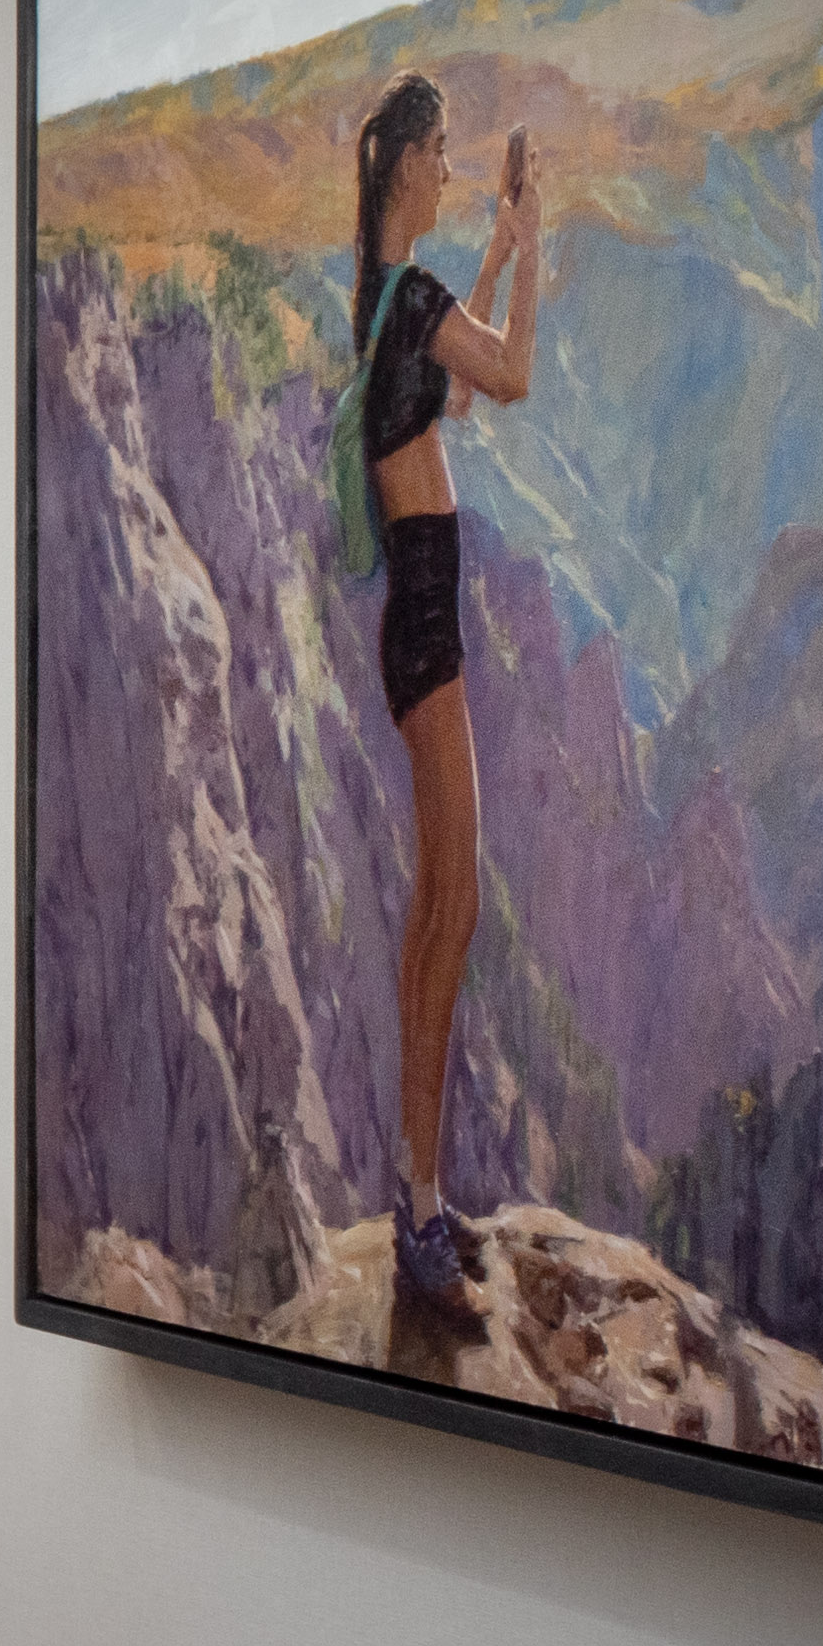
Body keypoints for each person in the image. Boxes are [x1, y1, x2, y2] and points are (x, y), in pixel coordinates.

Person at [345, 74, 545, 1304]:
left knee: (439, 910)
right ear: (410, 164)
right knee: (452, 906)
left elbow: (447, 377)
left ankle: (420, 1191)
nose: (454, 172)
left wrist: (498, 240)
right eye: (448, 159)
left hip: (413, 620)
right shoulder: (407, 298)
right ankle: (418, 1208)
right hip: (427, 623)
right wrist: (539, 248)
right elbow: (510, 372)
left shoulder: (382, 296)